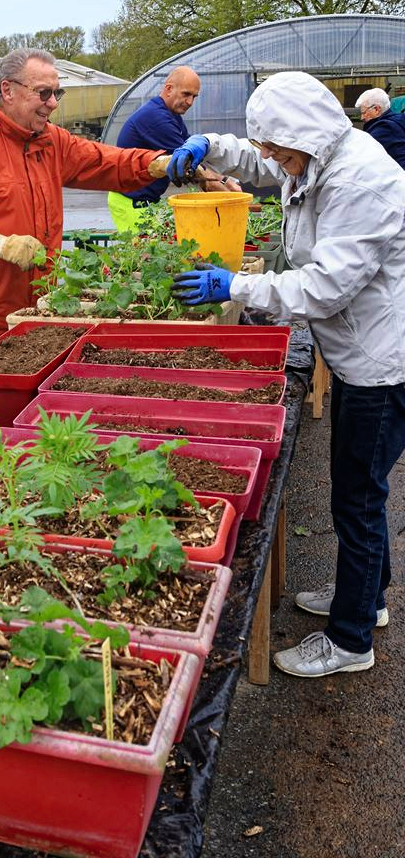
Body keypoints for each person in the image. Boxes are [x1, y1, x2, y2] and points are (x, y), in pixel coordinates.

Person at [166, 71, 405, 679]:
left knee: (358, 496)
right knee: (359, 489)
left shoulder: (362, 181)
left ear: (305, 135)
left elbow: (323, 288)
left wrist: (235, 285)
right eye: (269, 147)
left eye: (279, 147)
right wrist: (211, 149)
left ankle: (351, 640)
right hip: (360, 352)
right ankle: (365, 598)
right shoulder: (318, 154)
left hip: (382, 364)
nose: (272, 160)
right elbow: (260, 158)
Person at [0, 48, 171, 361]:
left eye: (57, 93)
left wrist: (158, 163)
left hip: (39, 308)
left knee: (36, 404)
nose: (52, 103)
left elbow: (106, 161)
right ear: (8, 90)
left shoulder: (49, 140)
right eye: (44, 93)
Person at [108, 66, 239, 230]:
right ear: (169, 89)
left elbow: (196, 155)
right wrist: (236, 202)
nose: (190, 102)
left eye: (194, 96)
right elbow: (196, 171)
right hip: (131, 201)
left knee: (159, 249)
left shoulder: (170, 115)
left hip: (144, 199)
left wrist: (225, 180)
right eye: (186, 94)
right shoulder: (156, 119)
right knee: (146, 254)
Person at [355, 88, 405, 171]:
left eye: (364, 113)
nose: (362, 117)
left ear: (376, 109)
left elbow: (360, 153)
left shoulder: (385, 128)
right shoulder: (398, 119)